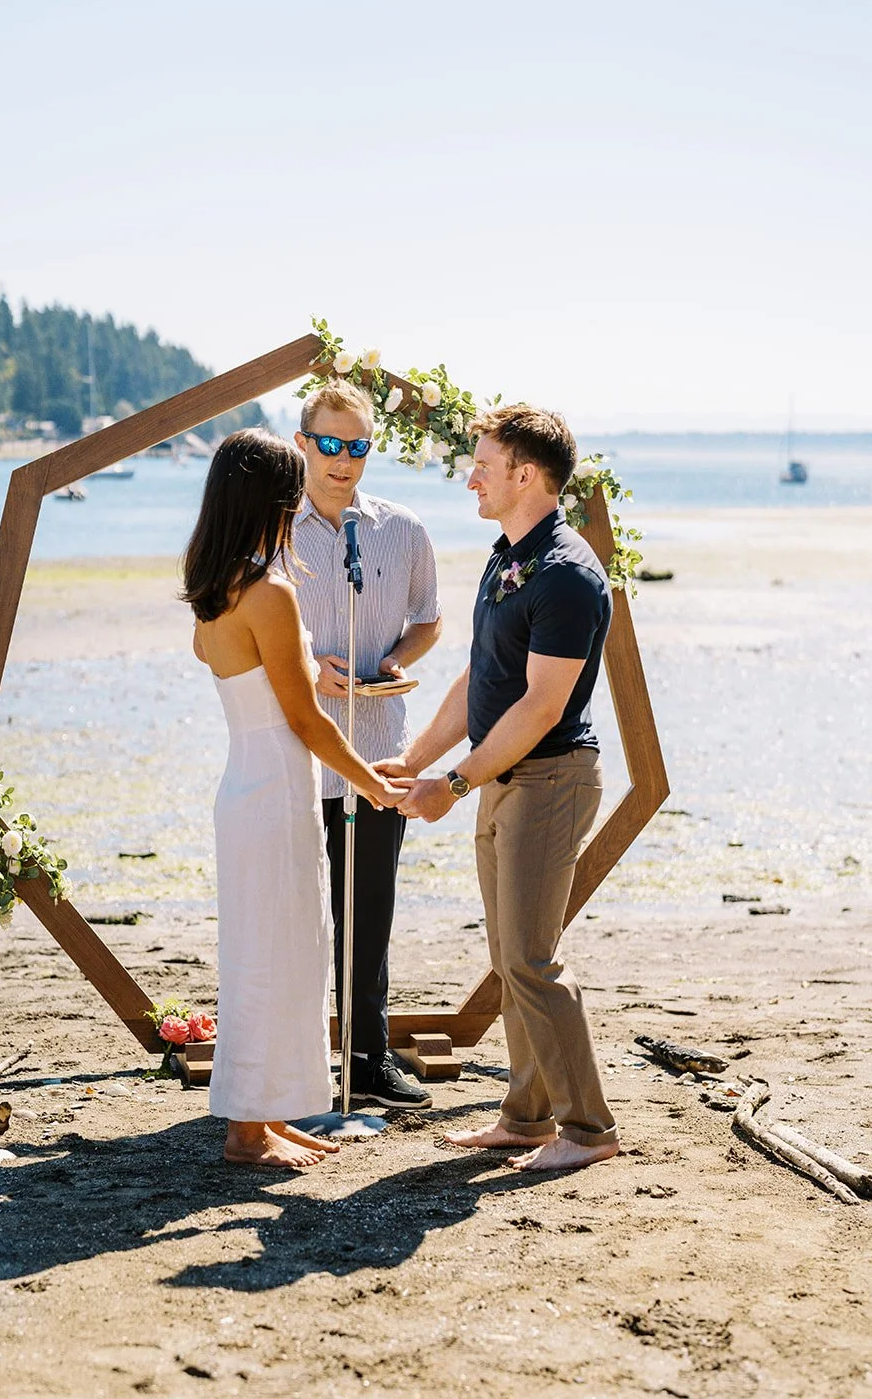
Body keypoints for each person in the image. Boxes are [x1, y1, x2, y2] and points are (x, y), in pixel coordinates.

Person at [383, 405, 619, 1173]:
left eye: (482, 462)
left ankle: (587, 1130)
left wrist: (451, 782)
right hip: (503, 779)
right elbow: (477, 680)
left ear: (526, 474)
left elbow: (541, 706)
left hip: (549, 778)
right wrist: (413, 758)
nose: (469, 475)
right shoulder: (505, 557)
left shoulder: (567, 574)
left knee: (531, 959)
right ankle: (524, 1117)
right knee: (510, 955)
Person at [183, 428, 407, 1170]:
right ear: (274, 502)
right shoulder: (269, 592)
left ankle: (267, 1115)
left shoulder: (214, 590)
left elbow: (257, 686)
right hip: (276, 787)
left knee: (273, 954)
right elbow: (305, 719)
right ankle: (247, 1133)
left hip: (247, 783)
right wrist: (372, 779)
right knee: (274, 957)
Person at [292, 378, 442, 1110]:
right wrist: (302, 668)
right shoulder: (271, 531)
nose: (343, 461)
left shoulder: (401, 529)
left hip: (381, 748)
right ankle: (288, 1060)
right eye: (330, 444)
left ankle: (368, 1056)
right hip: (295, 756)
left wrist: (396, 663)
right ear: (301, 444)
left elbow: (429, 619)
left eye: (357, 446)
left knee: (369, 911)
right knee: (293, 910)